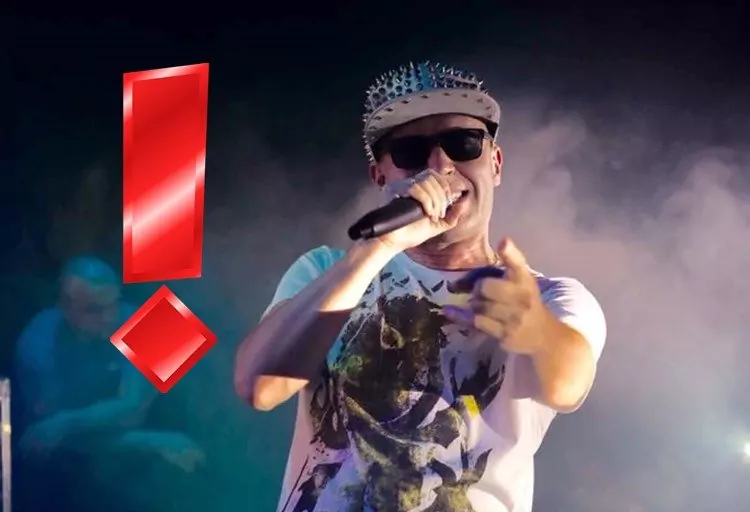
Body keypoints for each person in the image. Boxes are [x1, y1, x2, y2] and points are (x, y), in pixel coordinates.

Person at [234, 62, 607, 512]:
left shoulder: (546, 297)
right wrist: (378, 248)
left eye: (463, 144)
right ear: (380, 177)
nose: (440, 165)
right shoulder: (325, 272)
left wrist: (538, 331)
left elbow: (569, 384)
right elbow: (259, 385)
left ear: (495, 162)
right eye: (411, 151)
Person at [15, 255, 204, 511]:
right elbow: (43, 439)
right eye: (93, 310)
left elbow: (132, 410)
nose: (108, 317)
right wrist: (154, 441)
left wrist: (65, 422)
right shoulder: (37, 341)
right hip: (83, 471)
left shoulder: (157, 323)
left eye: (113, 304)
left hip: (170, 455)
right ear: (65, 307)